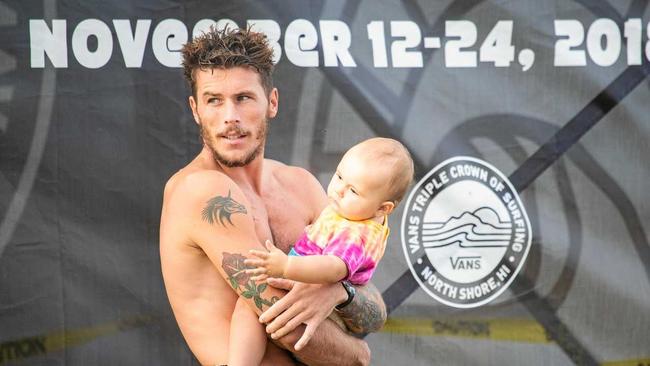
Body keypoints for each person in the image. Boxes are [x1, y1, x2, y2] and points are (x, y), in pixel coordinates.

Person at [159, 26, 388, 366]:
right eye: (214, 100)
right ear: (195, 109)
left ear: (272, 102)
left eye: (243, 98)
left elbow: (374, 308)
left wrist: (340, 292)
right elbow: (286, 328)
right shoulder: (202, 191)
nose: (230, 116)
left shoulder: (300, 185)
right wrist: (359, 354)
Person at [227, 138, 414, 366]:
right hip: (315, 290)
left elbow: (335, 267)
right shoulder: (352, 212)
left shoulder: (356, 234)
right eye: (339, 176)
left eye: (353, 190)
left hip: (324, 306)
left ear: (384, 208)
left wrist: (287, 266)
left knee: (248, 309)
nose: (338, 190)